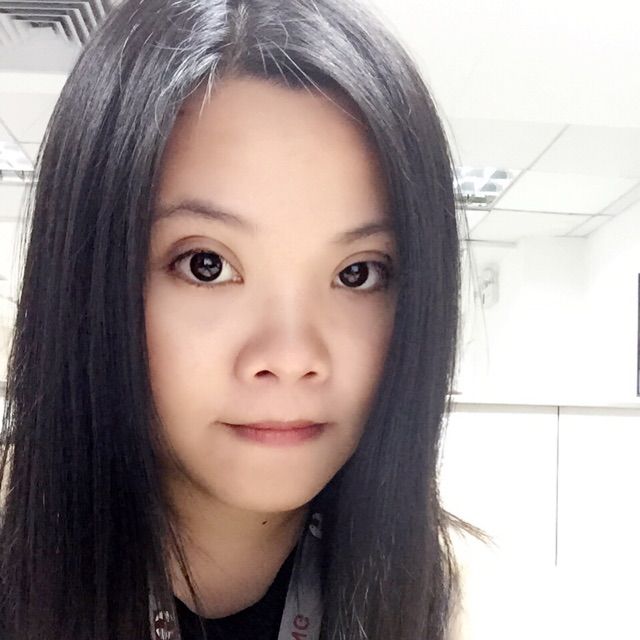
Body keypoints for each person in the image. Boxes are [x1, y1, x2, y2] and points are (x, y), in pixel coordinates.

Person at [0, 0, 495, 638]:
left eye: (358, 273)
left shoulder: (460, 605)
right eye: (205, 265)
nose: (291, 357)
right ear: (87, 278)